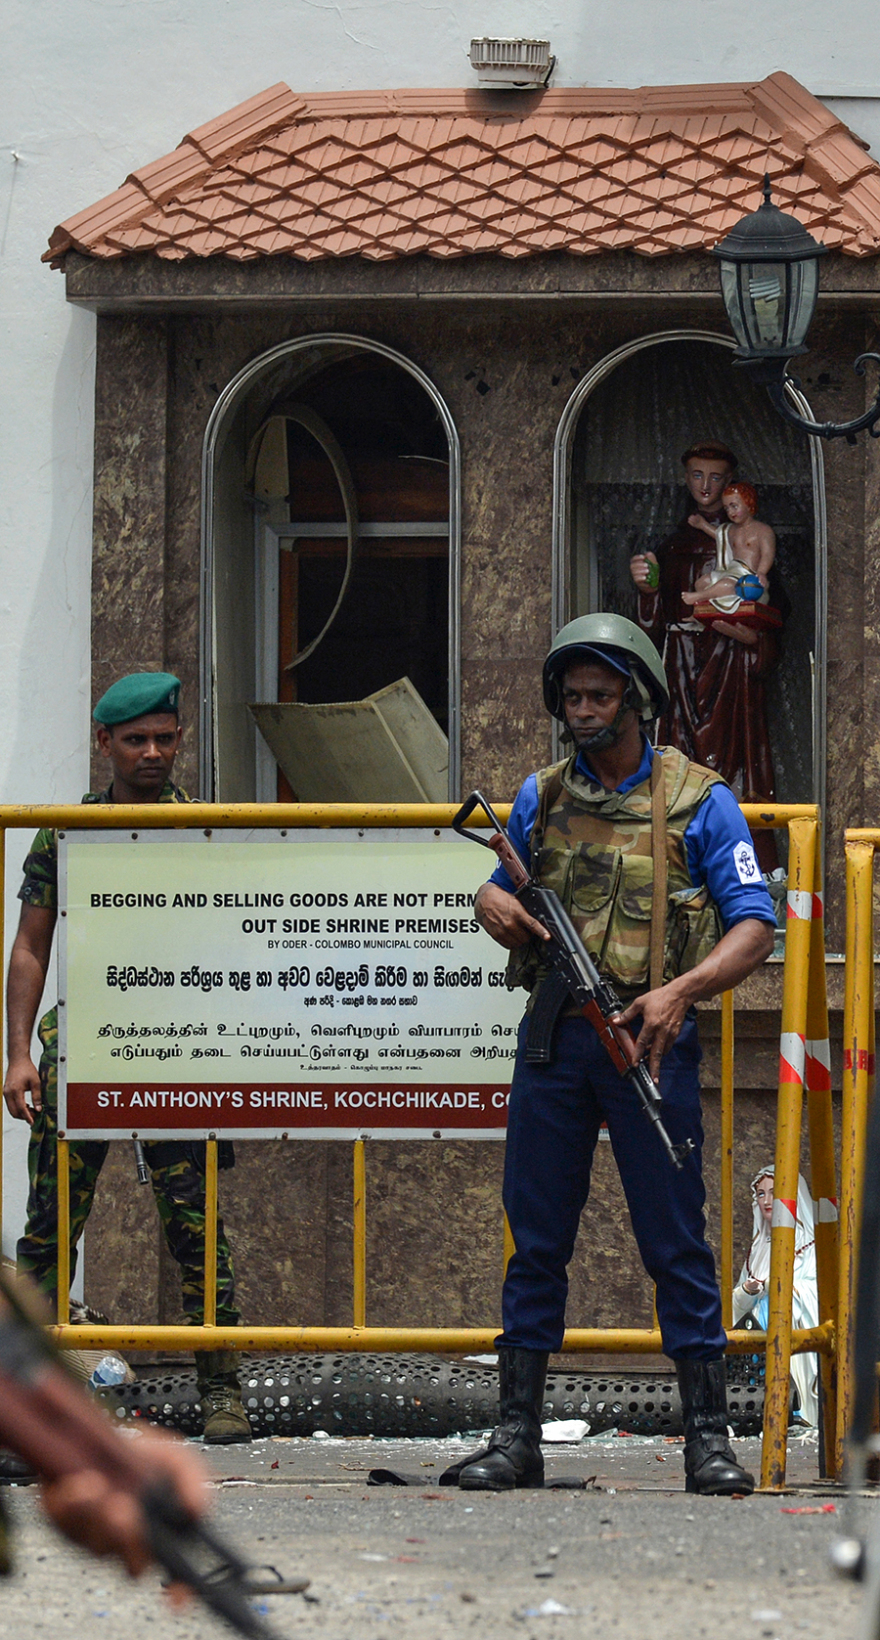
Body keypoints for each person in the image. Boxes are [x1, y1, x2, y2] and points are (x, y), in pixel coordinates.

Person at [445, 613, 775, 1497]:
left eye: (599, 696)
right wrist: (489, 902)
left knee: (675, 1240)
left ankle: (708, 1437)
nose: (583, 711)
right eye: (572, 697)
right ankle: (517, 1435)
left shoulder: (698, 800)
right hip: (556, 1040)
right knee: (535, 1238)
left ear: (637, 700)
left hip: (648, 1039)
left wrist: (680, 991)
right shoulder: (542, 795)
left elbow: (754, 925)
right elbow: (503, 886)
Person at [2, 672, 251, 1445]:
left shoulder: (203, 829)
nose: (151, 752)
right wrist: (18, 1052)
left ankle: (222, 1391)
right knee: (50, 1234)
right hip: (81, 1050)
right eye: (135, 739)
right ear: (103, 742)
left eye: (164, 739)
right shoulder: (65, 832)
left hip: (175, 1051)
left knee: (196, 1230)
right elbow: (31, 947)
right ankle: (31, 1403)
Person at [629, 441, 780, 875]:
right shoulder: (674, 544)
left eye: (716, 478)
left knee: (737, 766)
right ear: (685, 479)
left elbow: (773, 612)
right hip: (682, 664)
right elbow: (654, 623)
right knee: (679, 762)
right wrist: (648, 592)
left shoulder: (749, 535)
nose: (706, 486)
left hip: (730, 664)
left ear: (732, 484)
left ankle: (749, 868)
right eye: (697, 475)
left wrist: (755, 645)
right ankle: (679, 864)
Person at [732, 1166, 819, 1426]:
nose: (767, 1201)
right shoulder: (757, 1250)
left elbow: (817, 1295)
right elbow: (735, 1305)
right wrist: (747, 1291)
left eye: (775, 1193)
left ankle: (797, 1411)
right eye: (761, 1194)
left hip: (790, 1332)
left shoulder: (812, 1248)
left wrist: (777, 1287)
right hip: (756, 1337)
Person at [681, 481, 781, 637]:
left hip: (748, 577)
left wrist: (761, 572)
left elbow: (767, 554)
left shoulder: (763, 530)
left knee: (727, 585)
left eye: (734, 506)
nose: (730, 512)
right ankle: (701, 614)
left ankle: (698, 598)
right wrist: (702, 524)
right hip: (731, 571)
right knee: (702, 582)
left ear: (748, 503)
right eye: (727, 508)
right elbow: (719, 536)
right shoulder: (730, 529)